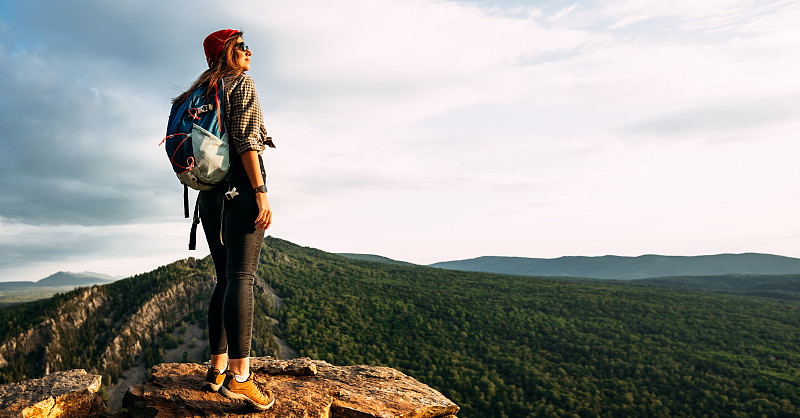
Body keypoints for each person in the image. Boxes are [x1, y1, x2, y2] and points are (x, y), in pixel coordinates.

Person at [173, 29, 276, 410]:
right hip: (240, 191)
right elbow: (247, 141)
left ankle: (216, 370)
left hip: (209, 197)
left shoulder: (193, 95)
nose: (249, 51)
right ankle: (241, 377)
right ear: (227, 53)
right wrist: (260, 191)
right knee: (241, 278)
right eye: (242, 46)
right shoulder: (239, 84)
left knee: (223, 279)